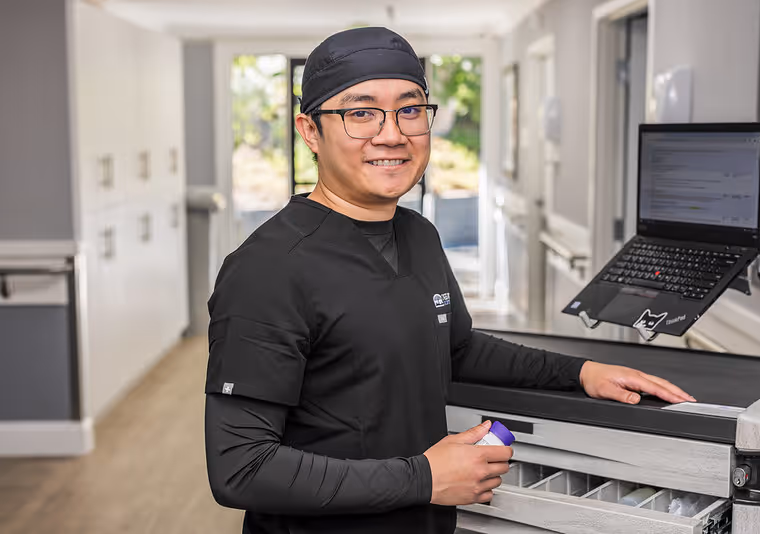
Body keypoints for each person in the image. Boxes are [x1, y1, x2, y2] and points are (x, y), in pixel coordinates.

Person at [204, 26, 695, 534]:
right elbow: (241, 468)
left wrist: (581, 372)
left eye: (410, 109)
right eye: (361, 112)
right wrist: (425, 479)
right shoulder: (268, 269)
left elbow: (456, 348)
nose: (392, 134)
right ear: (310, 131)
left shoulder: (418, 234)